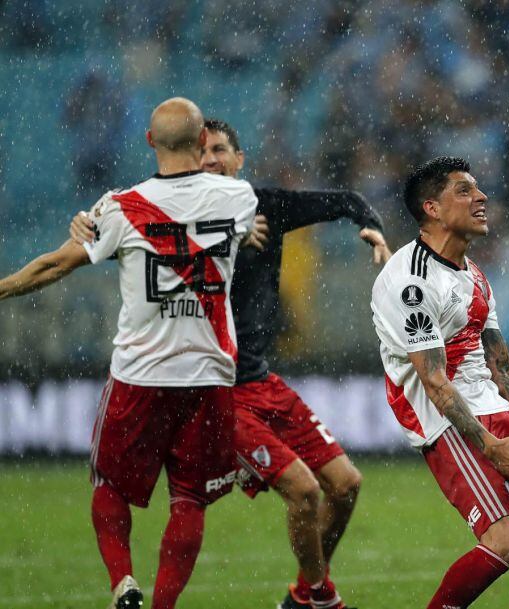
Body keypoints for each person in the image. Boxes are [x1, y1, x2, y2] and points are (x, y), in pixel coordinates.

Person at [71, 118, 391, 609]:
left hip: (264, 380)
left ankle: (306, 593)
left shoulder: (268, 207)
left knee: (346, 485)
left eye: (220, 150)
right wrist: (85, 225)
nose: (210, 160)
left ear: (240, 160)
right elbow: (123, 241)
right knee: (303, 493)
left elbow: (346, 200)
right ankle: (322, 598)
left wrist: (375, 230)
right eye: (202, 152)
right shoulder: (182, 215)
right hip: (216, 389)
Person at [0, 98, 258, 609]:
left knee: (109, 483)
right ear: (203, 141)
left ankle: (124, 582)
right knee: (190, 498)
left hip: (141, 372)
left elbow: (56, 265)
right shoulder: (239, 198)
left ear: (148, 140)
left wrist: (4, 287)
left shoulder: (120, 206)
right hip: (208, 372)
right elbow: (233, 229)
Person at [370, 156, 509, 609]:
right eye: (464, 190)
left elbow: (502, 365)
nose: (481, 198)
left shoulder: (473, 274)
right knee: (505, 540)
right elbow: (435, 382)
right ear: (432, 208)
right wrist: (487, 444)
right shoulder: (410, 282)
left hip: (494, 409)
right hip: (447, 421)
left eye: (478, 189)